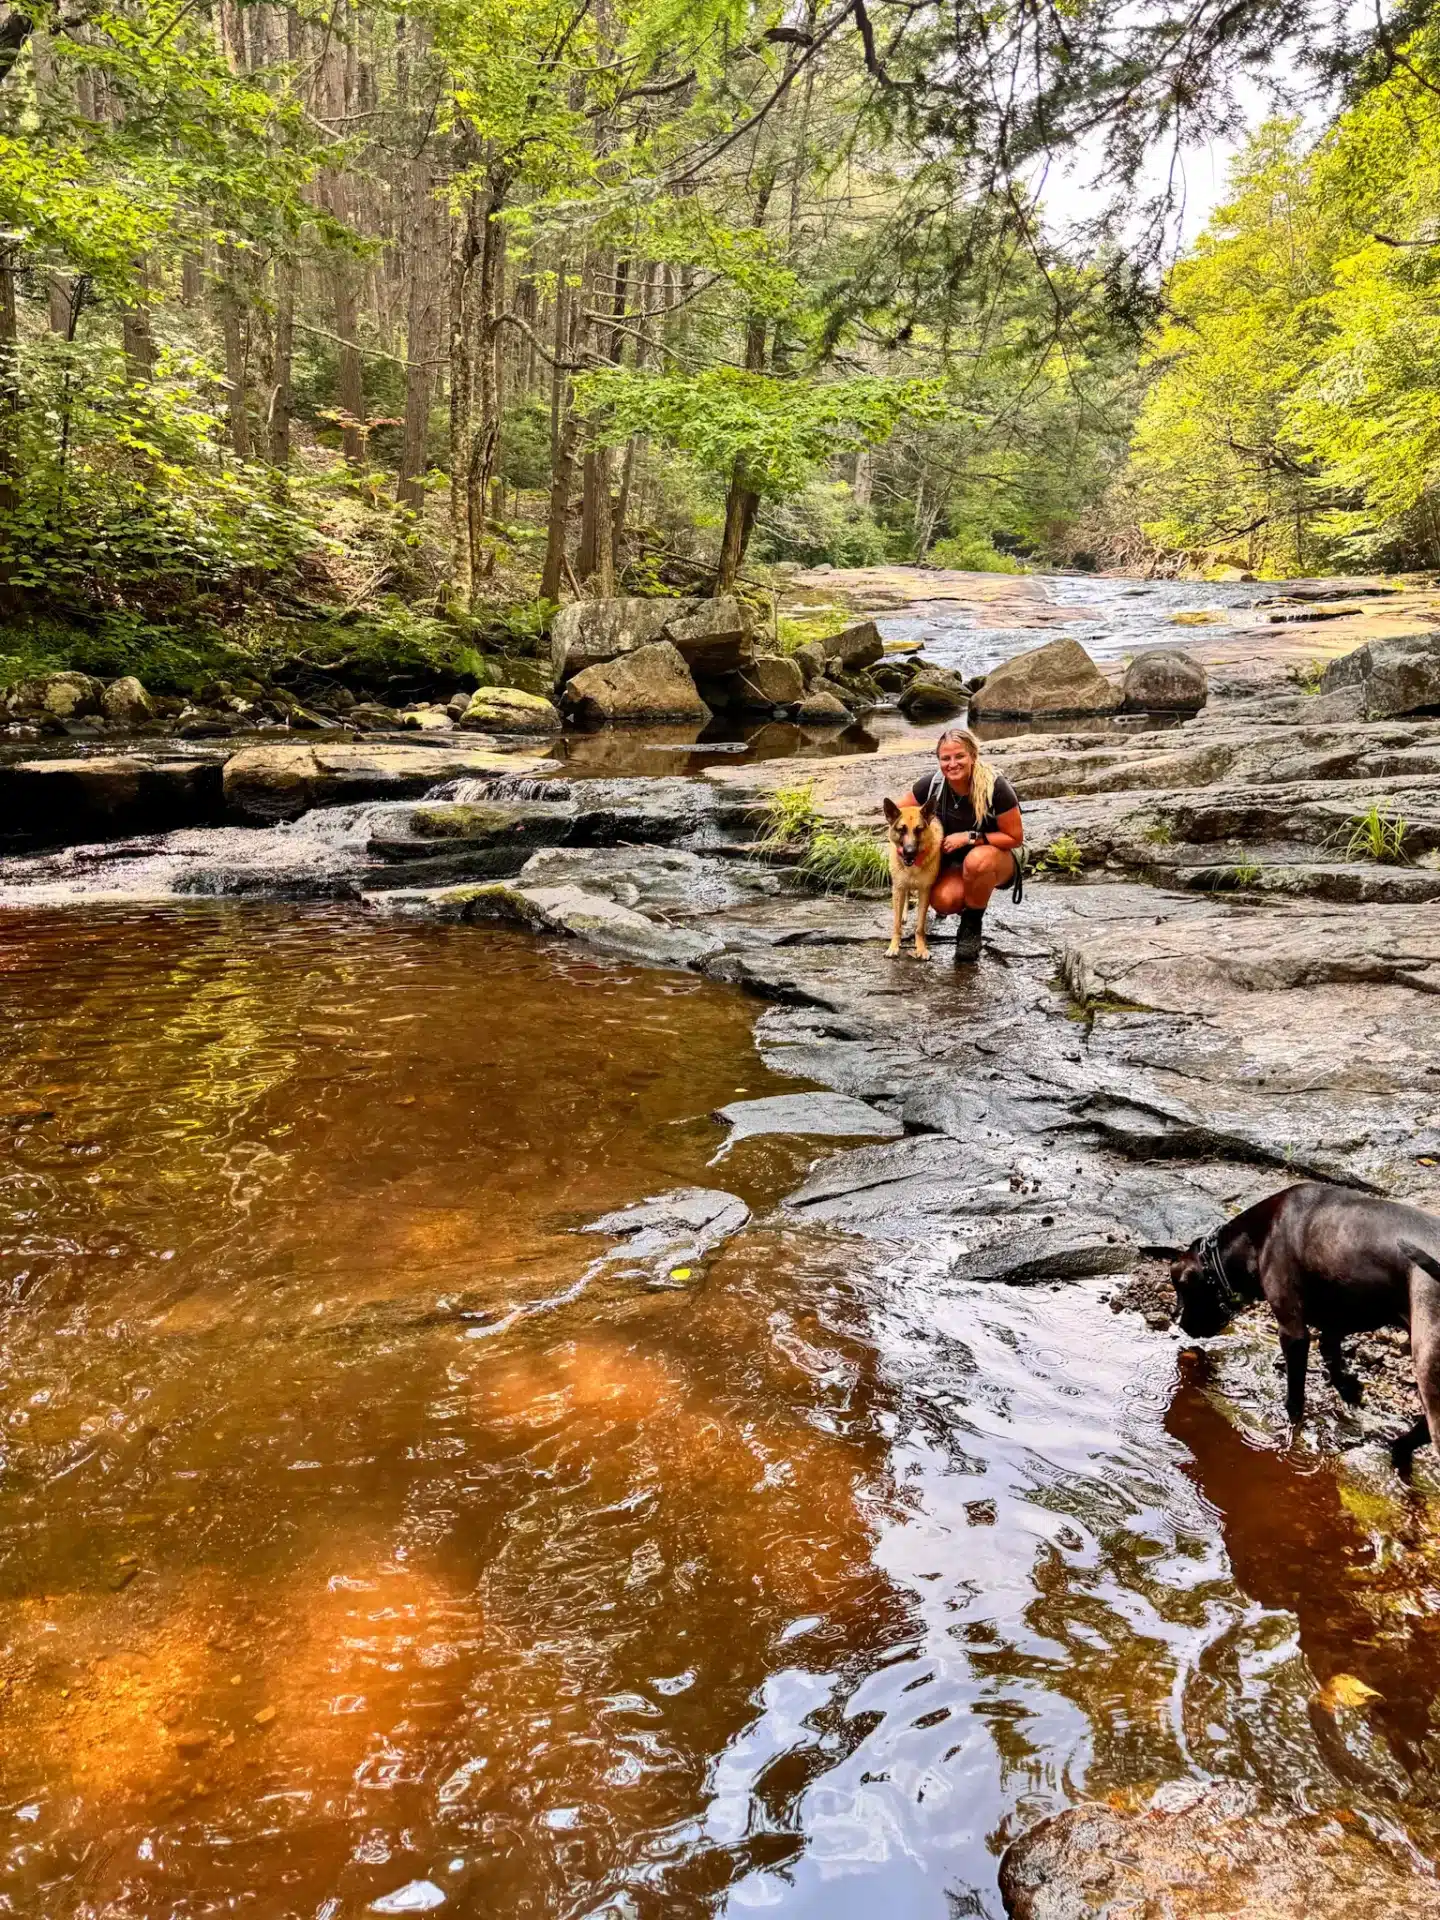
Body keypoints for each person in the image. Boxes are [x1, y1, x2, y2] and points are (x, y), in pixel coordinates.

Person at [903, 726, 1024, 963]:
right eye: (945, 758)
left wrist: (969, 837)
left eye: (959, 756)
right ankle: (967, 899)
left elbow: (1014, 838)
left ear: (973, 756)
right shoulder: (932, 786)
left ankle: (971, 926)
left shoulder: (996, 787)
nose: (952, 764)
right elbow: (898, 815)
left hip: (997, 858)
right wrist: (906, 843)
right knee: (944, 901)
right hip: (954, 863)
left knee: (977, 861)